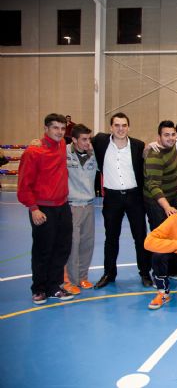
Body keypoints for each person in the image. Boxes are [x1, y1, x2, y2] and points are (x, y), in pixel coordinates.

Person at [18, 113, 75, 304]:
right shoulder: (33, 152)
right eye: (55, 128)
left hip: (62, 206)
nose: (60, 132)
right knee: (43, 250)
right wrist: (33, 208)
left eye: (62, 128)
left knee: (62, 248)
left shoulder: (62, 144)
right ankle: (39, 288)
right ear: (46, 129)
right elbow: (24, 185)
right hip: (43, 208)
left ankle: (54, 287)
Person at [92, 112, 150, 289]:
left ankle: (145, 273)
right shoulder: (100, 142)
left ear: (129, 127)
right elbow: (79, 140)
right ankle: (109, 274)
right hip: (112, 198)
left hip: (134, 197)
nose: (120, 129)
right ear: (111, 127)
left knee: (140, 237)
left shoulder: (138, 146)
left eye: (124, 125)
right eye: (117, 125)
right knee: (111, 238)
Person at [64, 124, 98, 294]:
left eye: (89, 139)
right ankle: (70, 280)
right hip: (71, 205)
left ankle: (82, 277)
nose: (87, 142)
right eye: (84, 139)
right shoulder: (64, 152)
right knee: (73, 244)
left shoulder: (93, 154)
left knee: (87, 243)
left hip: (89, 205)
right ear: (74, 139)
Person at [144, 120, 177, 231]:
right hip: (156, 202)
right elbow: (153, 186)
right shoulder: (155, 157)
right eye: (166, 135)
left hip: (171, 197)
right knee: (160, 234)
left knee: (172, 232)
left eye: (173, 134)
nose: (171, 138)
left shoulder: (171, 145)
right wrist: (167, 207)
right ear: (159, 137)